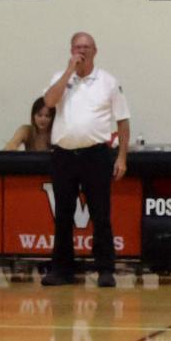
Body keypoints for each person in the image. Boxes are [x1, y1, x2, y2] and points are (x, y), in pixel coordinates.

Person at [39, 32, 130, 287]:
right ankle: (62, 270)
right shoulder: (60, 78)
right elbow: (48, 102)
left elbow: (123, 121)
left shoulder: (108, 81)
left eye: (87, 47)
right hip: (64, 156)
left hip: (96, 155)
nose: (82, 51)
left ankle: (105, 269)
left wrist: (121, 157)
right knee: (64, 214)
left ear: (95, 50)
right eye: (78, 47)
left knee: (100, 214)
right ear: (71, 50)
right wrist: (69, 73)